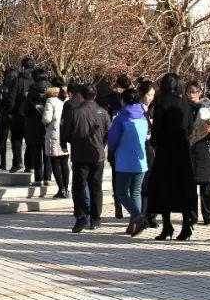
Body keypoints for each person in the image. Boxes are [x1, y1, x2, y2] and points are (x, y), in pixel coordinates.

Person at [148, 73, 197, 241]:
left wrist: (155, 142)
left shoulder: (161, 102)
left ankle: (167, 225)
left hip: (166, 151)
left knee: (164, 188)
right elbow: (190, 128)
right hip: (183, 151)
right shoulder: (185, 103)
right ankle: (186, 226)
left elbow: (157, 129)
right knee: (183, 189)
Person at [61, 84, 111, 232]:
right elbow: (108, 132)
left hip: (80, 153)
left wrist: (66, 142)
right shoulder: (103, 112)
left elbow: (65, 131)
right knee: (96, 186)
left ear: (81, 96)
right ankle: (96, 218)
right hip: (98, 154)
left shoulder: (75, 112)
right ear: (94, 95)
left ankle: (82, 216)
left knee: (79, 185)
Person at [107, 84, 152, 236]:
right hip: (141, 161)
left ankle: (139, 218)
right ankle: (133, 225)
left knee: (121, 192)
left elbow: (112, 141)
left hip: (125, 161)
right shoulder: (144, 116)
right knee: (136, 192)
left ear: (123, 101)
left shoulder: (121, 118)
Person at [186, 81, 210, 226]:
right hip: (189, 149)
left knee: (205, 186)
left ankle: (207, 215)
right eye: (189, 92)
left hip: (204, 147)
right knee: (190, 186)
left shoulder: (207, 108)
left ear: (199, 92)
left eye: (194, 91)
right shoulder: (184, 108)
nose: (191, 95)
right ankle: (192, 216)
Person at [102, 74, 131, 220]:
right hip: (129, 143)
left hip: (114, 142)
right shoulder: (133, 99)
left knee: (115, 177)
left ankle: (118, 206)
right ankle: (132, 208)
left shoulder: (110, 99)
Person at [42, 77, 69, 198]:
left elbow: (47, 119)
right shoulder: (67, 100)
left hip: (54, 134)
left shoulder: (50, 101)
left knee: (55, 162)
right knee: (64, 163)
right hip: (66, 133)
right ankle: (67, 189)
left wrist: (44, 122)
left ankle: (61, 189)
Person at [25, 67, 52, 187]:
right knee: (48, 153)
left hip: (34, 125)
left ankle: (38, 178)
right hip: (49, 124)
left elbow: (26, 108)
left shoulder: (32, 90)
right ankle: (48, 178)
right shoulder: (52, 90)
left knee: (37, 153)